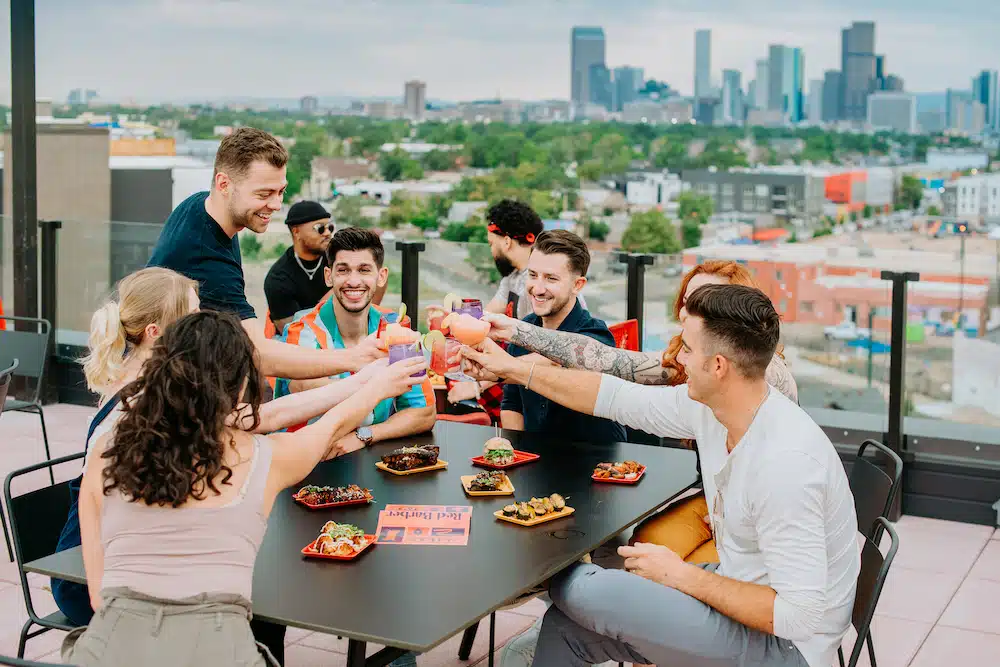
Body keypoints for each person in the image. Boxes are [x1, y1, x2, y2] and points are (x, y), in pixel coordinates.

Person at [460, 284, 859, 667]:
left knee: (577, 586)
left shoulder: (785, 464)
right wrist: (512, 369)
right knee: (565, 625)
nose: (678, 359)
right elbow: (612, 396)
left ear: (718, 366)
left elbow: (798, 617)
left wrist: (681, 576)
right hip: (738, 591)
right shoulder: (716, 408)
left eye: (687, 348)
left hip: (786, 649)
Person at [54, 267, 390, 664]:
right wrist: (369, 384)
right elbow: (288, 424)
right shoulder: (237, 446)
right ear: (162, 336)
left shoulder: (149, 415)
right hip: (91, 572)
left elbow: (266, 416)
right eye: (193, 315)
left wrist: (362, 378)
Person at [481, 259, 799, 565]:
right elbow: (607, 361)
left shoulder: (763, 372)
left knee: (691, 575)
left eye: (708, 304)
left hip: (764, 520)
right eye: (689, 303)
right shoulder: (693, 363)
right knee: (643, 548)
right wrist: (514, 331)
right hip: (715, 502)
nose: (690, 313)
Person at [148, 126, 383, 381]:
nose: (276, 205)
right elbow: (259, 355)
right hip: (165, 386)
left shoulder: (199, 204)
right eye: (264, 194)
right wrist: (353, 358)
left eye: (280, 191)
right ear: (223, 183)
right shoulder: (207, 260)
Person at [275, 226, 435, 460]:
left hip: (367, 458)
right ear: (329, 276)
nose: (353, 281)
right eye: (343, 270)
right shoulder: (303, 331)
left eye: (364, 270)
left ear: (381, 277)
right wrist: (383, 385)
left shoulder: (396, 328)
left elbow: (423, 412)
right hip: (305, 462)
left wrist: (365, 434)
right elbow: (305, 388)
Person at [500, 230, 625, 444]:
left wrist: (500, 367)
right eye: (532, 275)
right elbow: (512, 404)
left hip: (595, 465)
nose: (537, 289)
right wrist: (518, 454)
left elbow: (558, 361)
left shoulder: (597, 337)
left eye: (551, 278)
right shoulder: (522, 329)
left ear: (578, 285)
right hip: (536, 465)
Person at [264, 200, 335, 333]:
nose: (327, 233)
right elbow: (291, 333)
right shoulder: (278, 278)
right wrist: (335, 294)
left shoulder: (337, 259)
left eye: (330, 227)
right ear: (296, 232)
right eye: (320, 228)